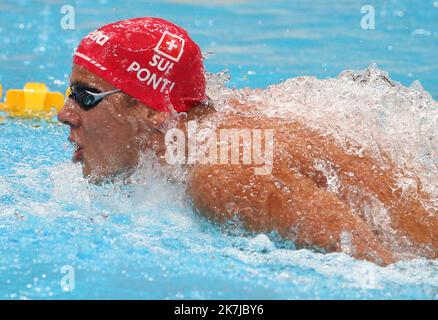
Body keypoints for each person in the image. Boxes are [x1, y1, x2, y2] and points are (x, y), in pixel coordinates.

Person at [58, 17, 437, 266]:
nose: (64, 112)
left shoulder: (228, 173)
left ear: (153, 112)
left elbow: (383, 272)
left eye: (85, 96)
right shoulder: (207, 124)